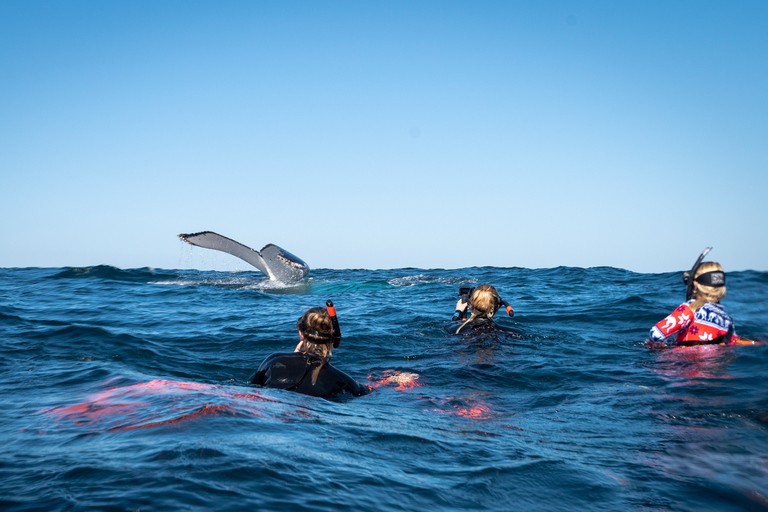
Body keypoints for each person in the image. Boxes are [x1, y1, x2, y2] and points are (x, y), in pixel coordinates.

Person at [248, 303, 368, 398]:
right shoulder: (344, 381)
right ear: (333, 340)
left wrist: (292, 362)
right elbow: (365, 393)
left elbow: (252, 390)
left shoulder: (273, 360)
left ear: (301, 333)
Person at [648, 260, 746, 347]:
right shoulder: (728, 321)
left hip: (682, 364)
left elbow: (655, 335)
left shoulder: (690, 309)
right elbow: (734, 343)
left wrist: (658, 348)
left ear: (695, 285)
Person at [444, 284, 518, 335]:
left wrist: (458, 312)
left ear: (471, 307)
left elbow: (451, 325)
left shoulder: (455, 329)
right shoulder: (510, 332)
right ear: (497, 308)